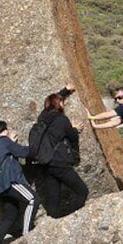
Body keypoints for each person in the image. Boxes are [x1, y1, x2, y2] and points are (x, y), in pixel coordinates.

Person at [30, 86, 88, 218]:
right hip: (60, 163)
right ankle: (72, 217)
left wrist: (65, 91)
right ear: (59, 104)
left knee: (53, 198)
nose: (64, 104)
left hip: (46, 163)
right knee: (82, 191)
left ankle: (54, 221)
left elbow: (52, 101)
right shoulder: (62, 120)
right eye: (62, 102)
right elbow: (72, 137)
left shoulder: (42, 117)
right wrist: (74, 128)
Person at [0, 120, 36, 244]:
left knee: (10, 215)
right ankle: (27, 234)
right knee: (33, 200)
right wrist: (38, 147)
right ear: (3, 131)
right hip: (10, 180)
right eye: (7, 129)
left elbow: (5, 155)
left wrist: (10, 143)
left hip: (0, 187)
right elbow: (23, 152)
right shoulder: (4, 142)